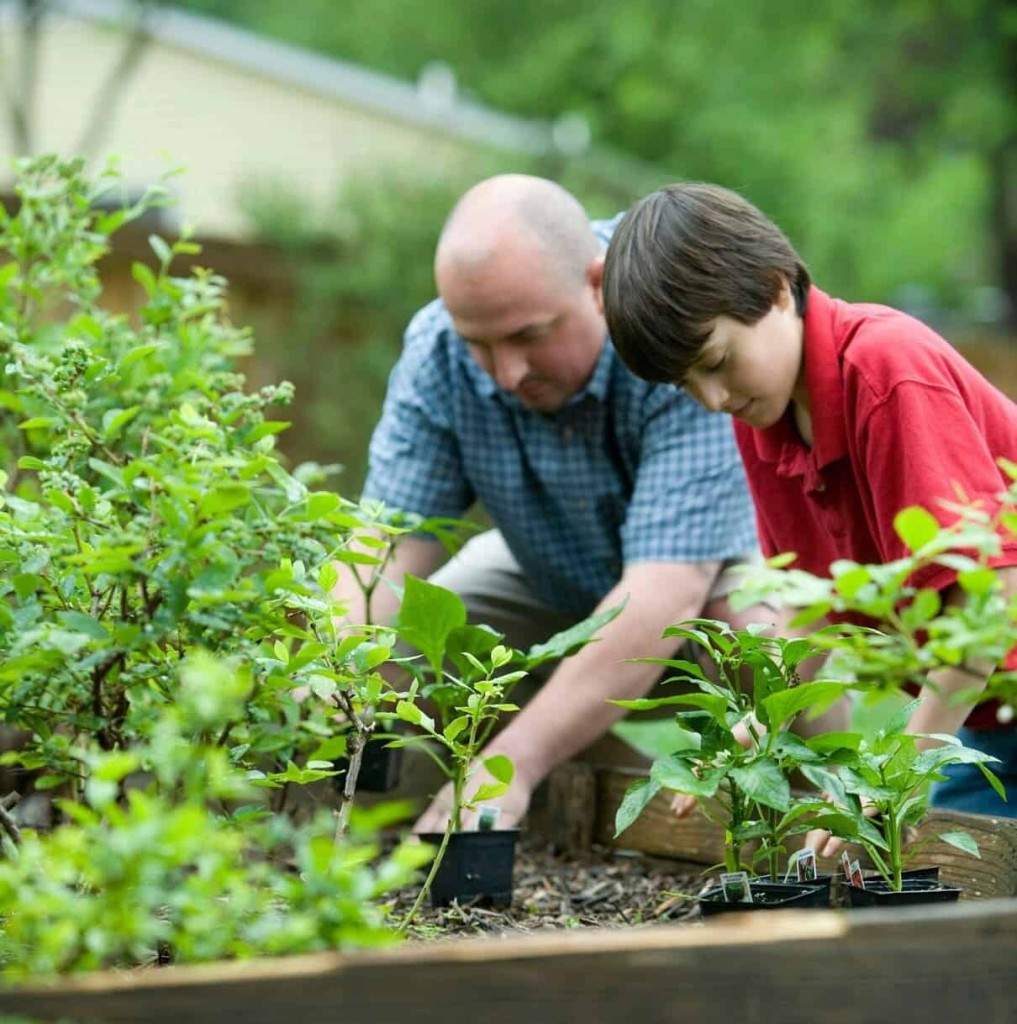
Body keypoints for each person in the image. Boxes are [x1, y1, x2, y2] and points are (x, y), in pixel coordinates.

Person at [331, 174, 764, 833]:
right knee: (412, 643)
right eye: (480, 344)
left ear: (596, 283)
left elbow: (665, 592)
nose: (507, 373)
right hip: (550, 573)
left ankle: (820, 821)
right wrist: (331, 667)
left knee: (760, 640)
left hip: (709, 576)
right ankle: (595, 798)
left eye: (528, 336)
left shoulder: (669, 317)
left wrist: (512, 764)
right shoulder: (438, 351)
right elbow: (383, 549)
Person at [600, 181, 1017, 835]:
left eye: (716, 362)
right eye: (685, 385)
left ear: (775, 289)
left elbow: (991, 595)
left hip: (986, 688)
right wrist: (751, 731)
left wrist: (897, 775)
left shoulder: (884, 370)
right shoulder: (762, 418)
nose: (712, 399)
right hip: (989, 717)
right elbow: (810, 603)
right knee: (912, 864)